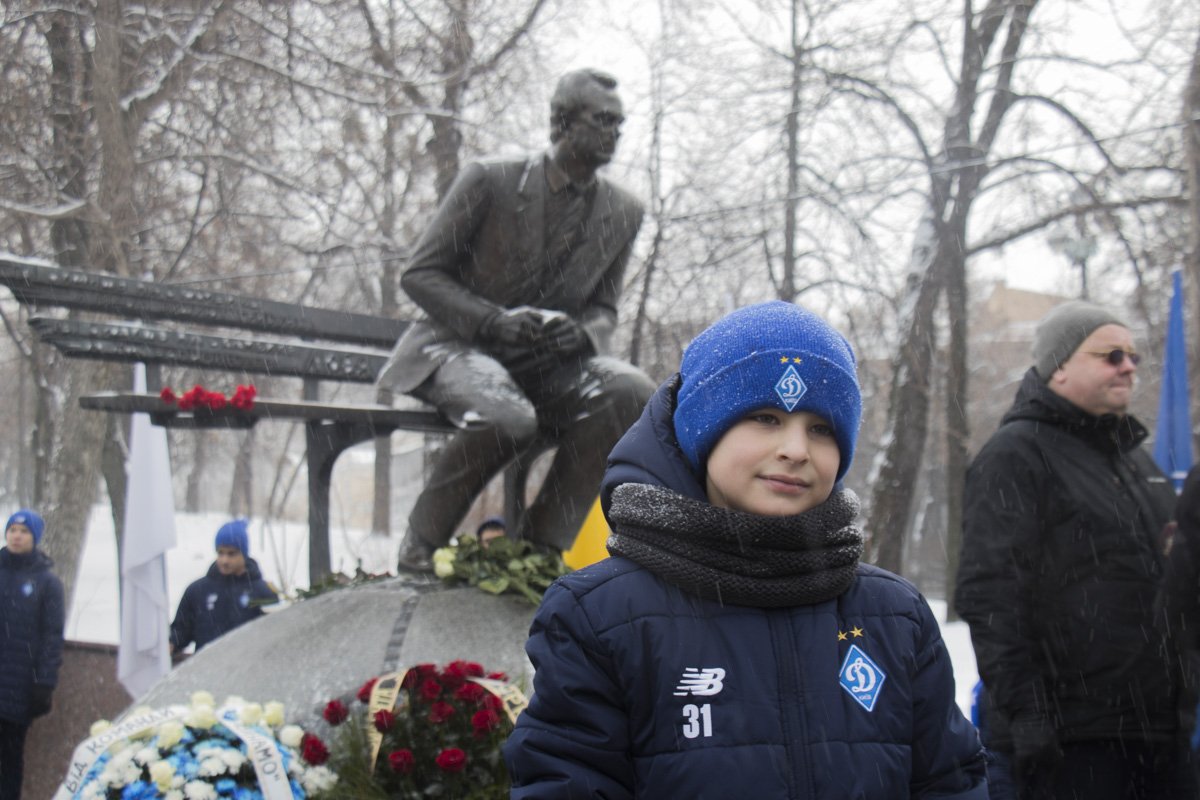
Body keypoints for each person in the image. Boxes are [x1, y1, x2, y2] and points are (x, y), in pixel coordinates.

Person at [504, 301, 987, 798]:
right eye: (765, 417)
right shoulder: (598, 616)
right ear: (701, 430)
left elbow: (951, 783)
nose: (796, 450)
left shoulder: (895, 615)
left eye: (821, 428)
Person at [376, 68, 656, 571]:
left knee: (629, 389)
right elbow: (419, 275)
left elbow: (605, 309)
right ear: (563, 122)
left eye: (620, 123)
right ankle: (421, 542)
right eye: (602, 120)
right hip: (458, 346)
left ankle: (540, 548)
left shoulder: (624, 211)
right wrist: (491, 321)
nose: (614, 132)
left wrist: (583, 334)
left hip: (545, 367)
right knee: (508, 417)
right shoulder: (492, 180)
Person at [955, 300, 1193, 799]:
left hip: (1159, 733)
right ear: (1059, 366)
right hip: (1072, 742)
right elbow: (991, 595)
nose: (1128, 367)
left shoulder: (1137, 462)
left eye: (1133, 356)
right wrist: (1029, 715)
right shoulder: (1015, 455)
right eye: (1111, 355)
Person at [0, 509, 63, 800]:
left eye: (24, 532)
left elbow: (52, 637)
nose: (16, 536)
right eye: (12, 530)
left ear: (35, 538)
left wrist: (44, 683)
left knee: (9, 760)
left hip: (18, 688)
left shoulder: (47, 583)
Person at [169, 519, 277, 654]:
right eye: (220, 553)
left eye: (231, 553)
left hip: (248, 665)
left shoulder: (263, 592)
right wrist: (171, 643)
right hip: (207, 665)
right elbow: (180, 632)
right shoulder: (197, 591)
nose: (224, 560)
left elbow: (275, 638)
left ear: (244, 553)